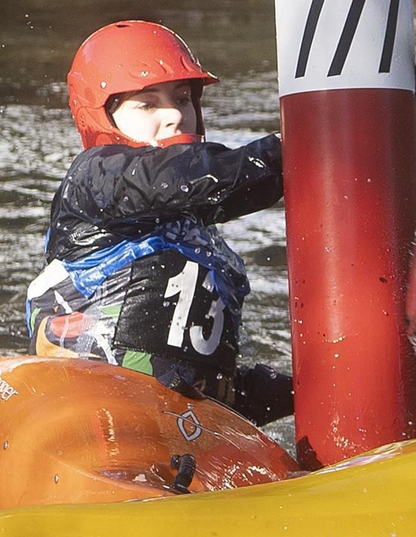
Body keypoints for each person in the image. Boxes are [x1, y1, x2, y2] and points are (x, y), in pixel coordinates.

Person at [24, 21, 293, 425]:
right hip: (84, 412)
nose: (174, 115)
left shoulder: (207, 241)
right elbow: (191, 179)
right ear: (102, 119)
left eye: (184, 99)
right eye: (147, 104)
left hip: (180, 428)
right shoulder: (94, 176)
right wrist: (304, 145)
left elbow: (217, 385)